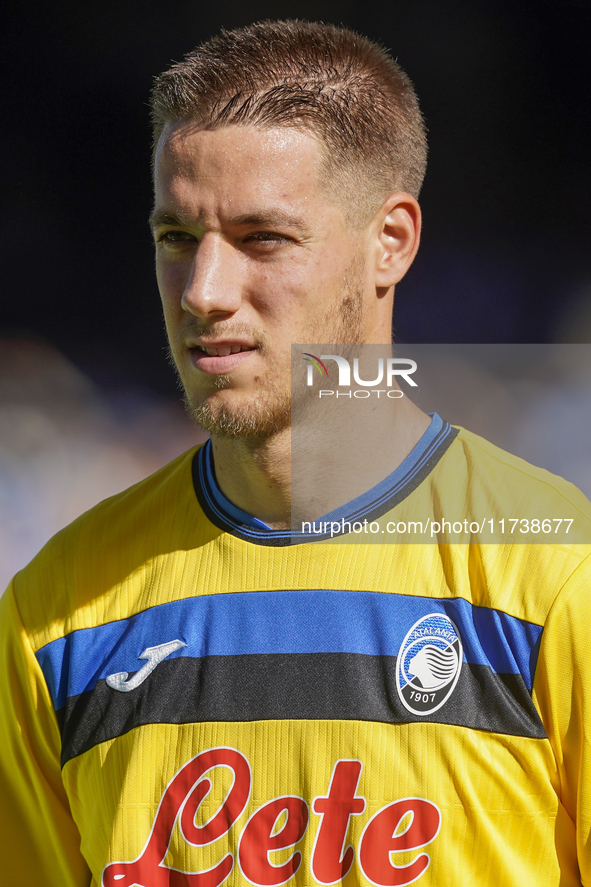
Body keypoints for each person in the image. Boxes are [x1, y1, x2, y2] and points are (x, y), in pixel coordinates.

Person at [0, 19, 589, 887]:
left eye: (261, 239)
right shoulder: (57, 609)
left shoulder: (555, 574)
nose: (203, 291)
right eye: (175, 238)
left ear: (388, 241)